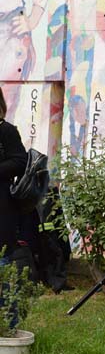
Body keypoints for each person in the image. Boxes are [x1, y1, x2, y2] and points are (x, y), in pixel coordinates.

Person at [0, 86, 28, 328]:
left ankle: (8, 328)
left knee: (3, 268)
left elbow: (20, 161)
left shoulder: (5, 130)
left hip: (1, 209)